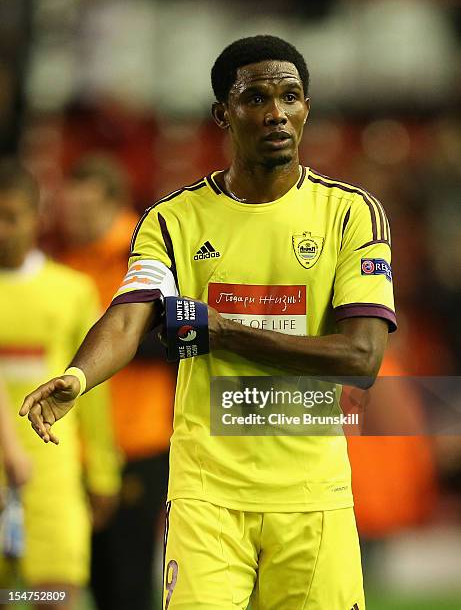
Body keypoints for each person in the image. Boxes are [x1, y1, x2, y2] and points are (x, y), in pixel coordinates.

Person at [20, 35, 396, 610]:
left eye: (291, 97)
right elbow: (127, 320)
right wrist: (78, 376)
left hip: (314, 495)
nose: (276, 114)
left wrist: (221, 331)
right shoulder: (172, 222)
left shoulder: (351, 214)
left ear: (307, 109)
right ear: (223, 113)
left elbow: (361, 359)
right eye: (256, 99)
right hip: (206, 495)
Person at [0, 159, 120, 609]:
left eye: (11, 216)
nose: (2, 229)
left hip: (52, 471)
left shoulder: (71, 291)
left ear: (37, 216)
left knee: (54, 596)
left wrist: (103, 470)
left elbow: (91, 390)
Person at [58, 154, 174, 610]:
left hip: (139, 441)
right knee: (93, 577)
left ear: (113, 204)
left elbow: (178, 338)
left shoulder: (148, 260)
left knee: (127, 582)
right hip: (83, 447)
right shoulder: (70, 264)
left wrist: (112, 342)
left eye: (86, 211)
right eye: (70, 211)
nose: (76, 220)